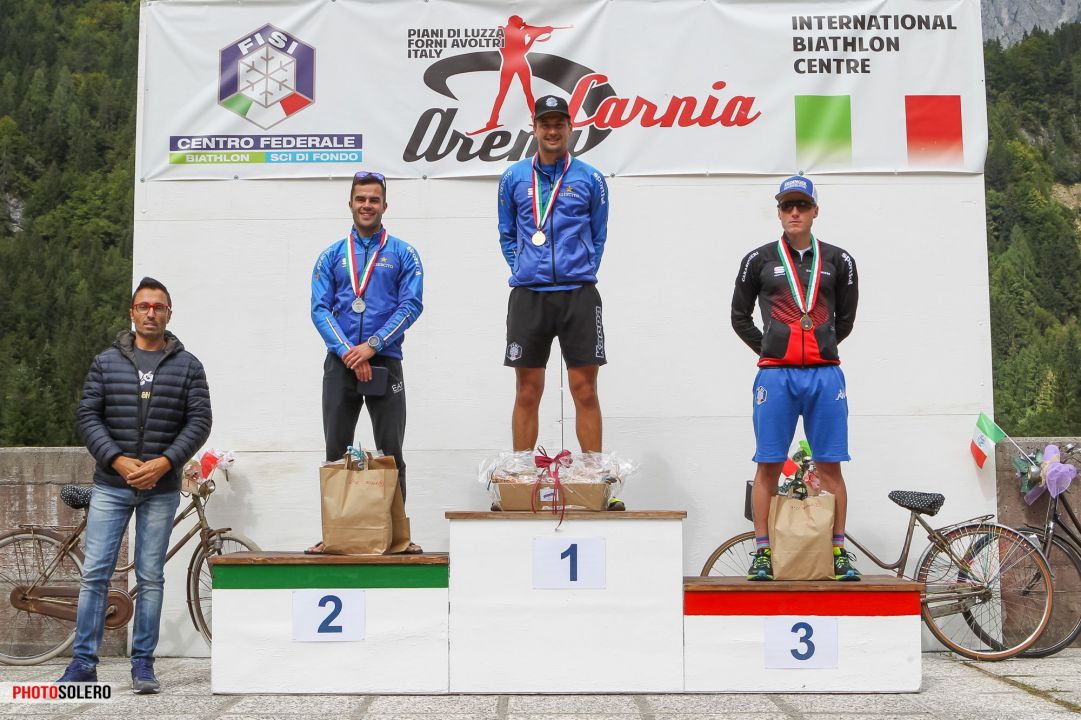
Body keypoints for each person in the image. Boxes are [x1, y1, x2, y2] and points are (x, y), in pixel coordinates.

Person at [59, 277, 212, 692]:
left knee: (150, 577)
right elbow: (88, 416)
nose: (151, 313)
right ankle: (83, 664)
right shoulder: (105, 362)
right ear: (132, 313)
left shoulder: (188, 366)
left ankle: (143, 665)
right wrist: (117, 459)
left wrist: (166, 462)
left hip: (161, 488)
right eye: (143, 306)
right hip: (112, 484)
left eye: (158, 307)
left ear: (169, 314)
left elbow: (199, 421)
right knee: (96, 574)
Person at [730, 175, 860, 581]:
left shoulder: (840, 260)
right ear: (779, 212)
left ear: (815, 211)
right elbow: (738, 316)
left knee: (830, 468)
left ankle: (837, 551)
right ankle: (762, 553)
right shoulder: (758, 259)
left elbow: (845, 319)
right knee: (768, 466)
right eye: (787, 206)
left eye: (802, 205)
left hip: (825, 376)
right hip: (776, 377)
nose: (795, 212)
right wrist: (772, 347)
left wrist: (820, 345)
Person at [308, 170, 424, 554]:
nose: (367, 205)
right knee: (335, 453)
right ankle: (335, 536)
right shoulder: (331, 255)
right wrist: (348, 351)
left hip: (384, 361)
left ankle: (399, 537)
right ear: (350, 204)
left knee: (391, 453)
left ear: (385, 205)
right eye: (361, 199)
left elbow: (411, 305)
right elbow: (320, 309)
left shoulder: (404, 253)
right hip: (340, 363)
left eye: (374, 199)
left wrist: (372, 346)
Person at [497, 95, 609, 458]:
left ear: (570, 127)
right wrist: (522, 267)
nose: (552, 131)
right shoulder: (513, 177)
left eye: (559, 124)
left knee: (585, 389)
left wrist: (583, 266)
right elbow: (506, 233)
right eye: (545, 124)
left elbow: (598, 233)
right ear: (534, 128)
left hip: (579, 294)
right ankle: (520, 472)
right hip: (529, 295)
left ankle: (593, 474)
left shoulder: (591, 178)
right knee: (527, 390)